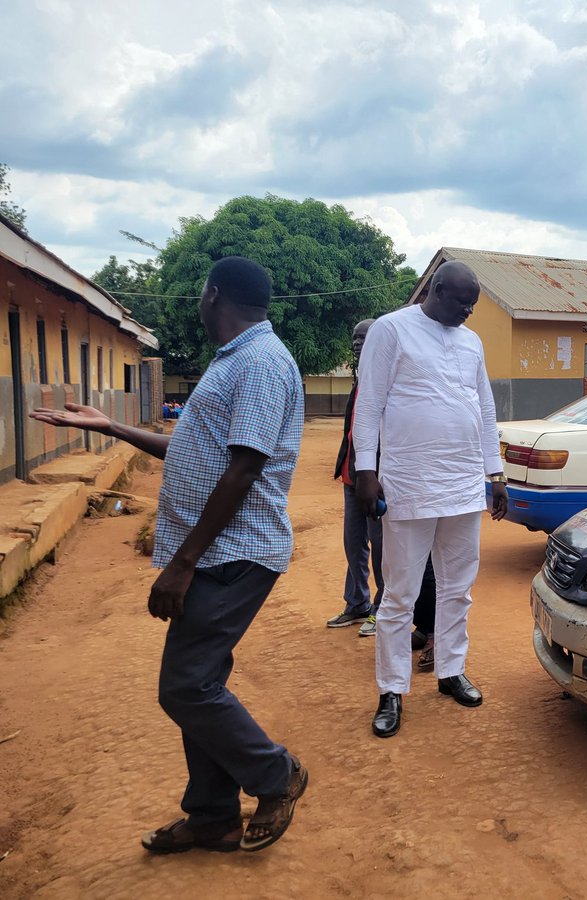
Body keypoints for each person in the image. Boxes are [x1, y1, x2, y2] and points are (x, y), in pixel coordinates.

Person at [30, 256, 307, 854]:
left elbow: (244, 469)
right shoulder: (234, 359)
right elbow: (191, 451)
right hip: (217, 551)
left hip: (235, 551)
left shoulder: (260, 362)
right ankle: (212, 818)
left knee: (186, 688)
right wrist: (112, 428)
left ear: (213, 294)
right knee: (199, 683)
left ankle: (276, 774)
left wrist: (182, 562)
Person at [353, 260, 507, 738]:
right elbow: (369, 403)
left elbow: (484, 406)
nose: (468, 311)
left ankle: (451, 670)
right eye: (461, 302)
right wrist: (365, 470)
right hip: (410, 484)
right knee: (400, 593)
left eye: (472, 305)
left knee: (458, 587)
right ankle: (391, 689)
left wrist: (495, 472)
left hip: (463, 484)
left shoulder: (472, 341)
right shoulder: (391, 330)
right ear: (435, 290)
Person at [328, 318, 438, 643]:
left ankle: (381, 607)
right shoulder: (359, 380)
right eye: (355, 338)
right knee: (353, 544)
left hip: (377, 480)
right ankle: (357, 603)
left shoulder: (390, 380)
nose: (358, 343)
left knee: (382, 549)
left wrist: (376, 474)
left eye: (364, 337)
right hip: (352, 478)